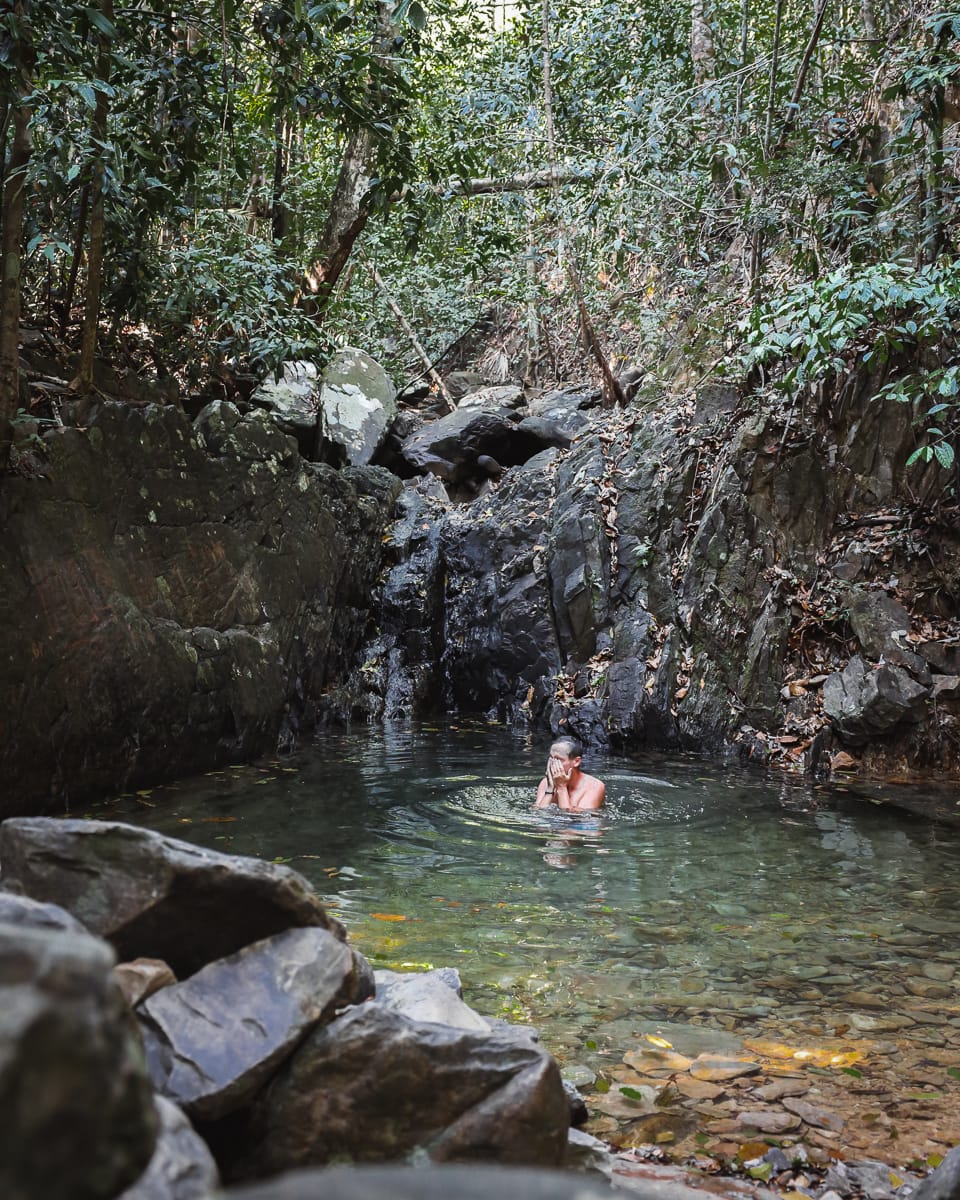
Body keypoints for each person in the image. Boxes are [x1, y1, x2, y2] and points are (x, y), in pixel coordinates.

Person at [535, 736, 605, 811]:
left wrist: (561, 787)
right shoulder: (546, 782)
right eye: (551, 758)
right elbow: (538, 814)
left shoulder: (594, 786)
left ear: (576, 761)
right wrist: (550, 789)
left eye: (558, 759)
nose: (552, 764)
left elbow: (568, 819)